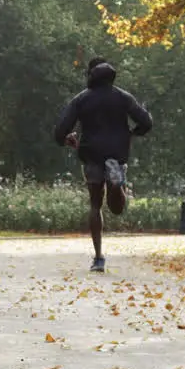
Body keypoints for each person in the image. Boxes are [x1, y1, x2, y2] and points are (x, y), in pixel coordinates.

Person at [54, 58, 154, 273]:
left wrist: (68, 139)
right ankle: (117, 185)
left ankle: (98, 257)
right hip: (117, 154)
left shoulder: (81, 100)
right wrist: (132, 134)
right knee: (117, 208)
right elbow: (146, 121)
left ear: (91, 78)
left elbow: (60, 131)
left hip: (91, 154)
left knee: (95, 205)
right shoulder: (123, 97)